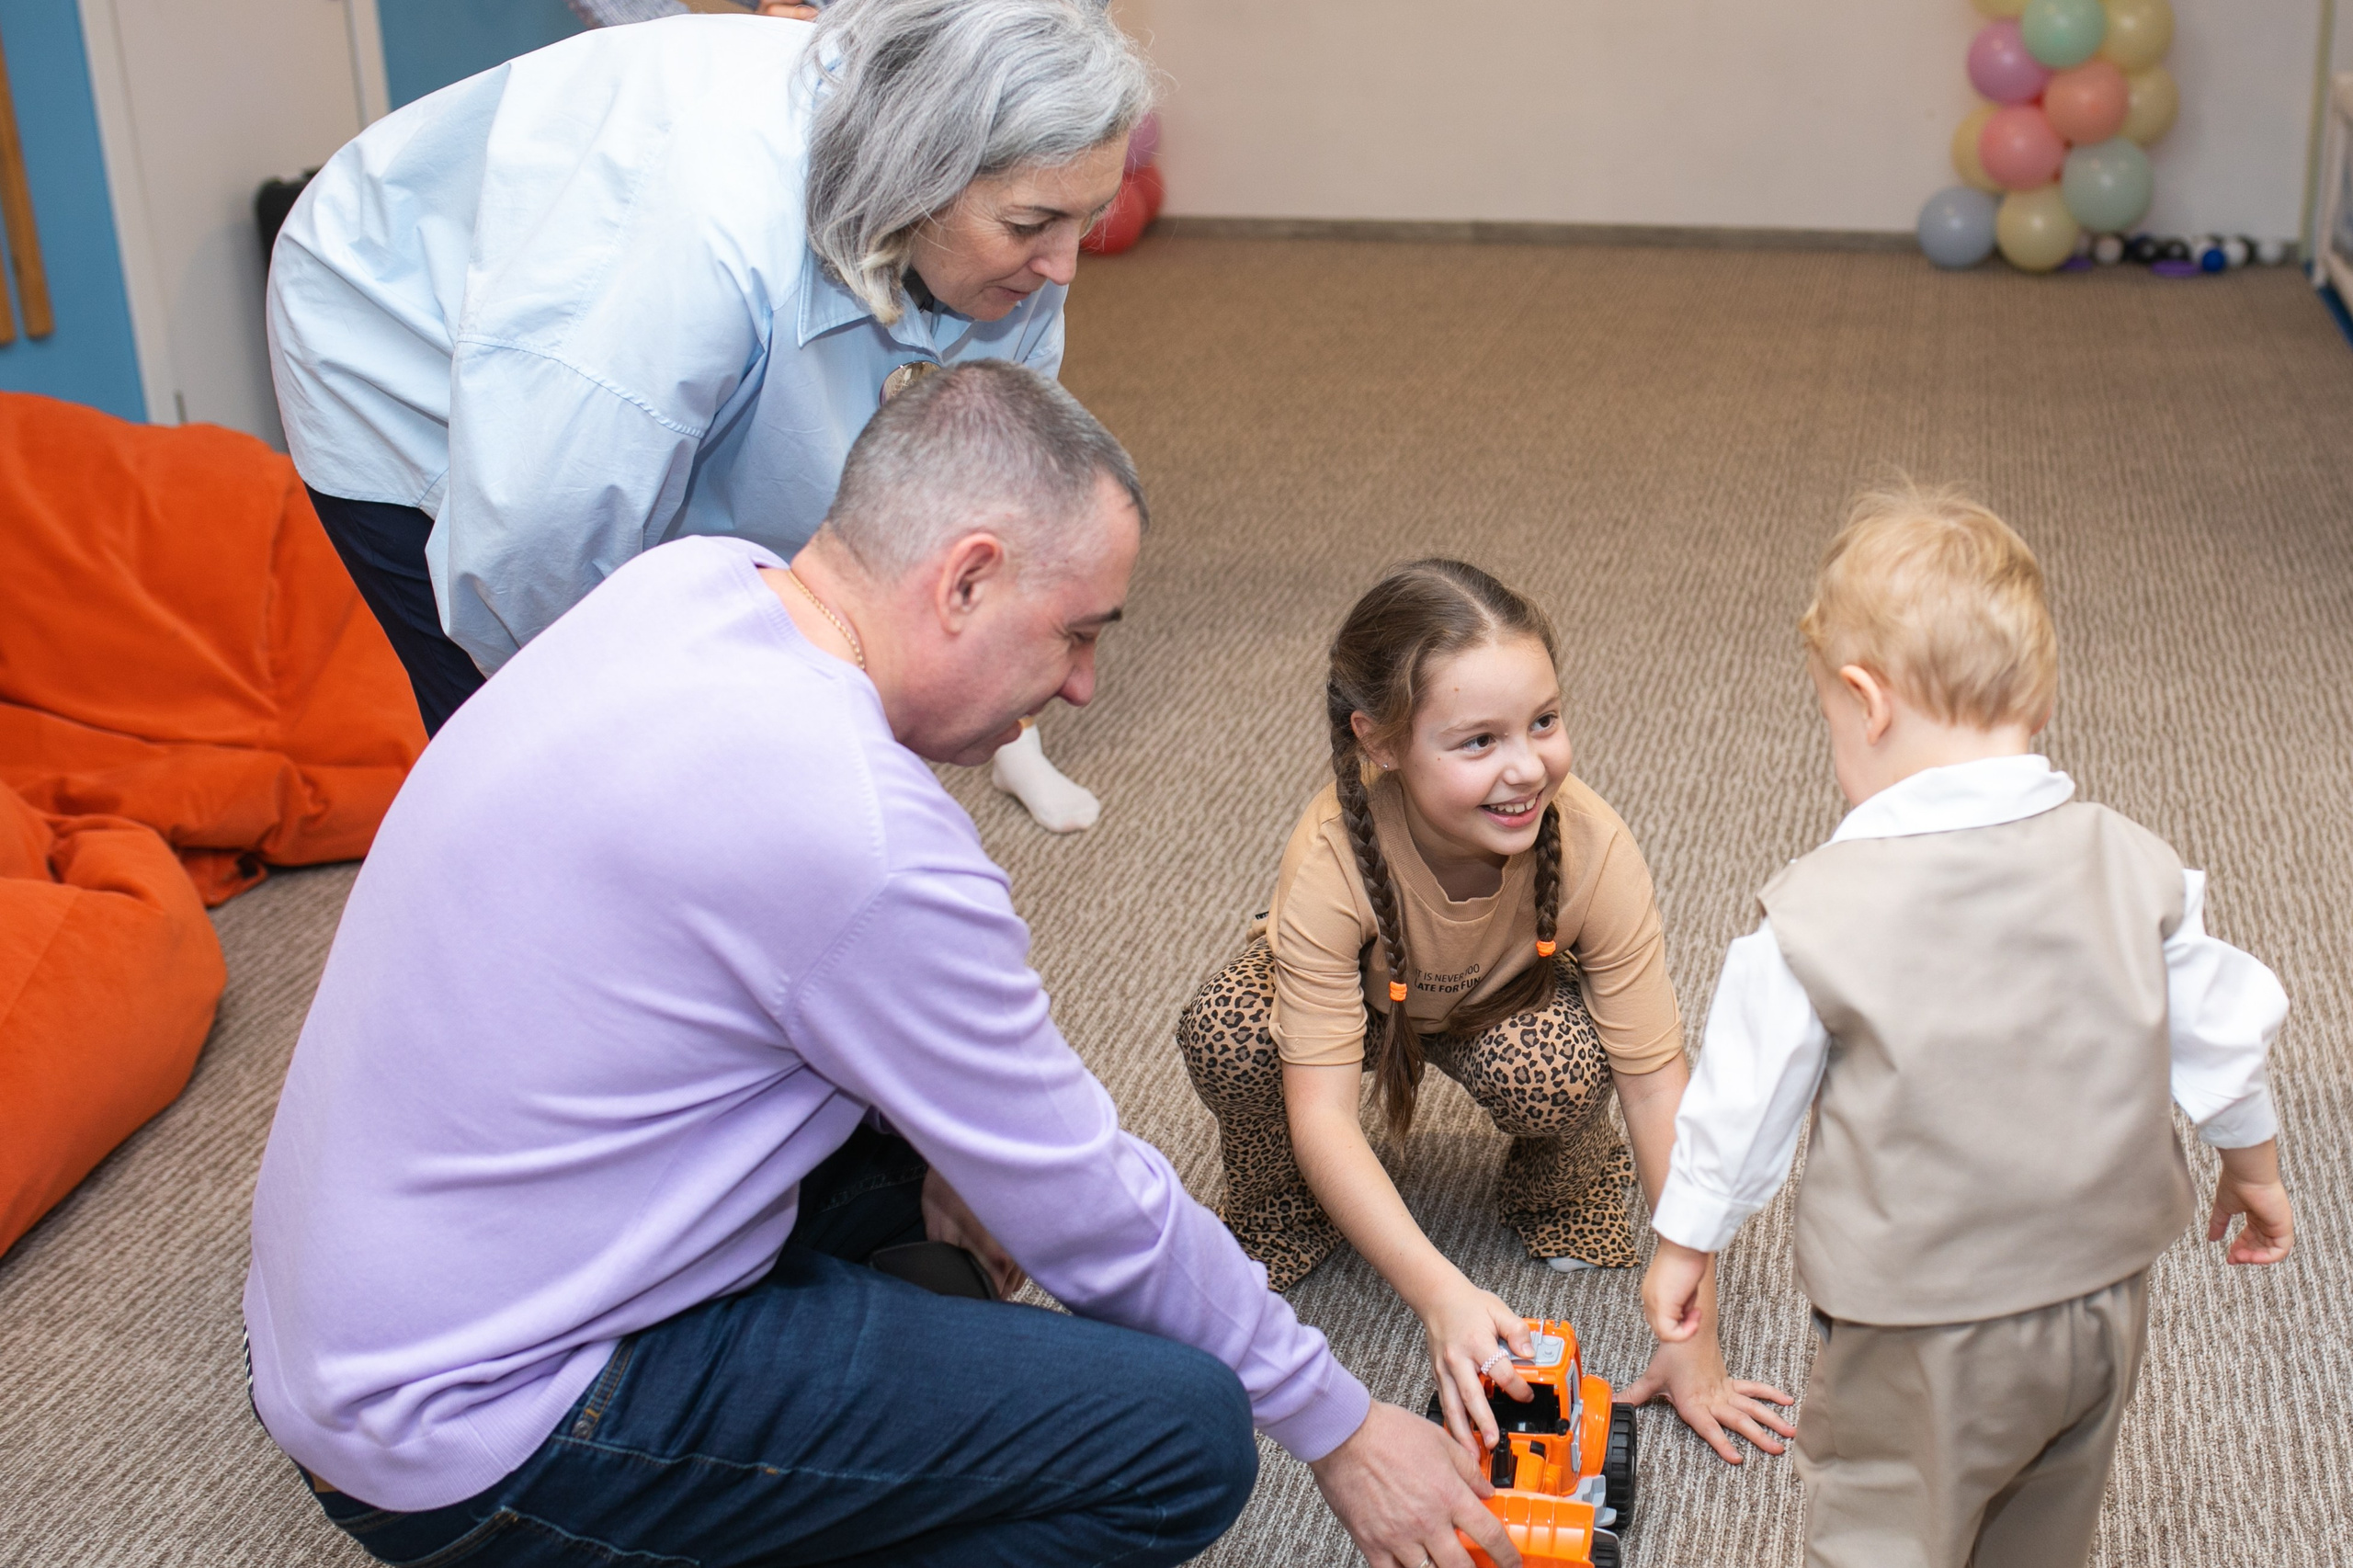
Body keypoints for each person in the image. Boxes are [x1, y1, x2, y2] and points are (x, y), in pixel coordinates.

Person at [244, 363, 1523, 1568]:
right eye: (1076, 634)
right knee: (1179, 1434)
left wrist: (955, 1156)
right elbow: (1087, 1203)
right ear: (965, 580)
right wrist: (1343, 1426)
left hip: (363, 1327)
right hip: (478, 1434)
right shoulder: (858, 835)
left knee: (946, 1150)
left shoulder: (694, 583)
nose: (1083, 685)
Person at [1642, 483, 2296, 1568]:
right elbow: (2223, 1037)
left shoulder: (1813, 912)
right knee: (2040, 1528)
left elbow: (1740, 1099)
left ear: (1866, 701)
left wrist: (1686, 1240)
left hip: (1915, 1324)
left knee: (1886, 1535)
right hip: (2100, 1300)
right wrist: (2255, 1168)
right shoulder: (2135, 864)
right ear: (2033, 700)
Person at [267, 0, 1117, 832]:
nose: (1065, 265)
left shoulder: (1019, 235)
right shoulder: (708, 232)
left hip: (644, 362)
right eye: (1033, 224)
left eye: (1085, 218)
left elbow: (976, 483)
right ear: (917, 181)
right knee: (548, 780)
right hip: (399, 341)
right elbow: (532, 562)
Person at [1176, 559, 1795, 1465]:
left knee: (1567, 1066)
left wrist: (1690, 1337)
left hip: (1493, 1003)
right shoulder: (1328, 858)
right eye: (1477, 741)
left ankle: (1564, 1182)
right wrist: (1440, 1292)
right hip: (1356, 996)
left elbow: (1659, 1086)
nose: (1524, 766)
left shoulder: (1591, 845)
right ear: (1378, 742)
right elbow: (1323, 1112)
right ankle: (1286, 1207)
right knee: (1228, 1033)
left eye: (1543, 722)